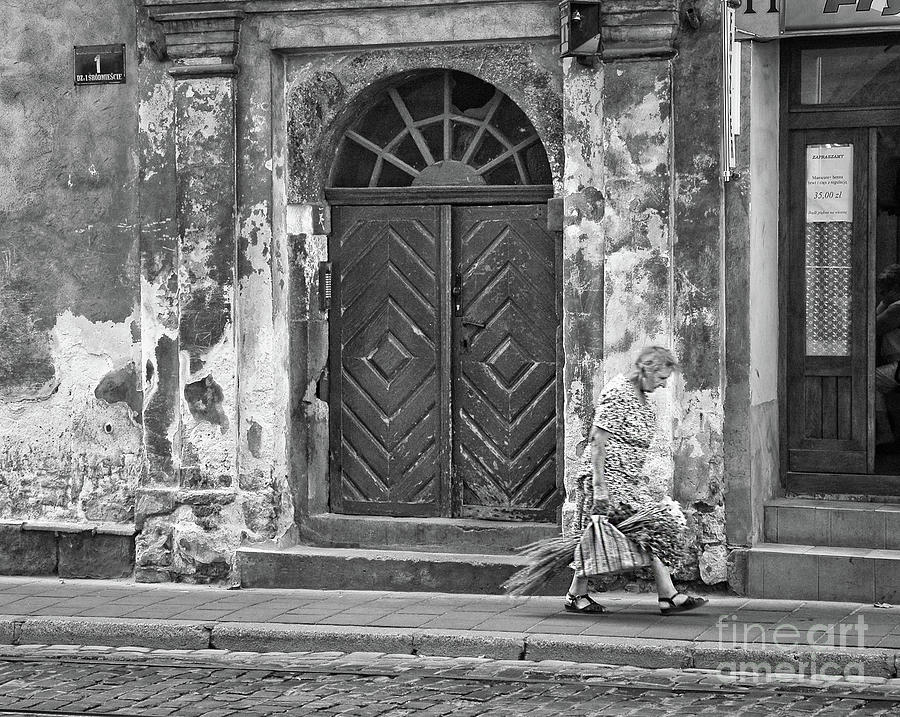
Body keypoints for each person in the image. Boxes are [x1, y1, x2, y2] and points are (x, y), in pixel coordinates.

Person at [564, 346, 709, 616]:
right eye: (662, 378)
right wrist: (599, 488)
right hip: (606, 480)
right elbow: (597, 440)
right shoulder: (618, 392)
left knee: (617, 534)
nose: (664, 385)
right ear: (647, 369)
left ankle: (578, 594)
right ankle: (668, 595)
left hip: (626, 482)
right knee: (644, 530)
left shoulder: (641, 397)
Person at [875, 264, 900, 446]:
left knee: (867, 383)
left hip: (898, 365)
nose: (881, 296)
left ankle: (885, 433)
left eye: (883, 292)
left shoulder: (896, 308)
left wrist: (884, 302)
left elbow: (870, 328)